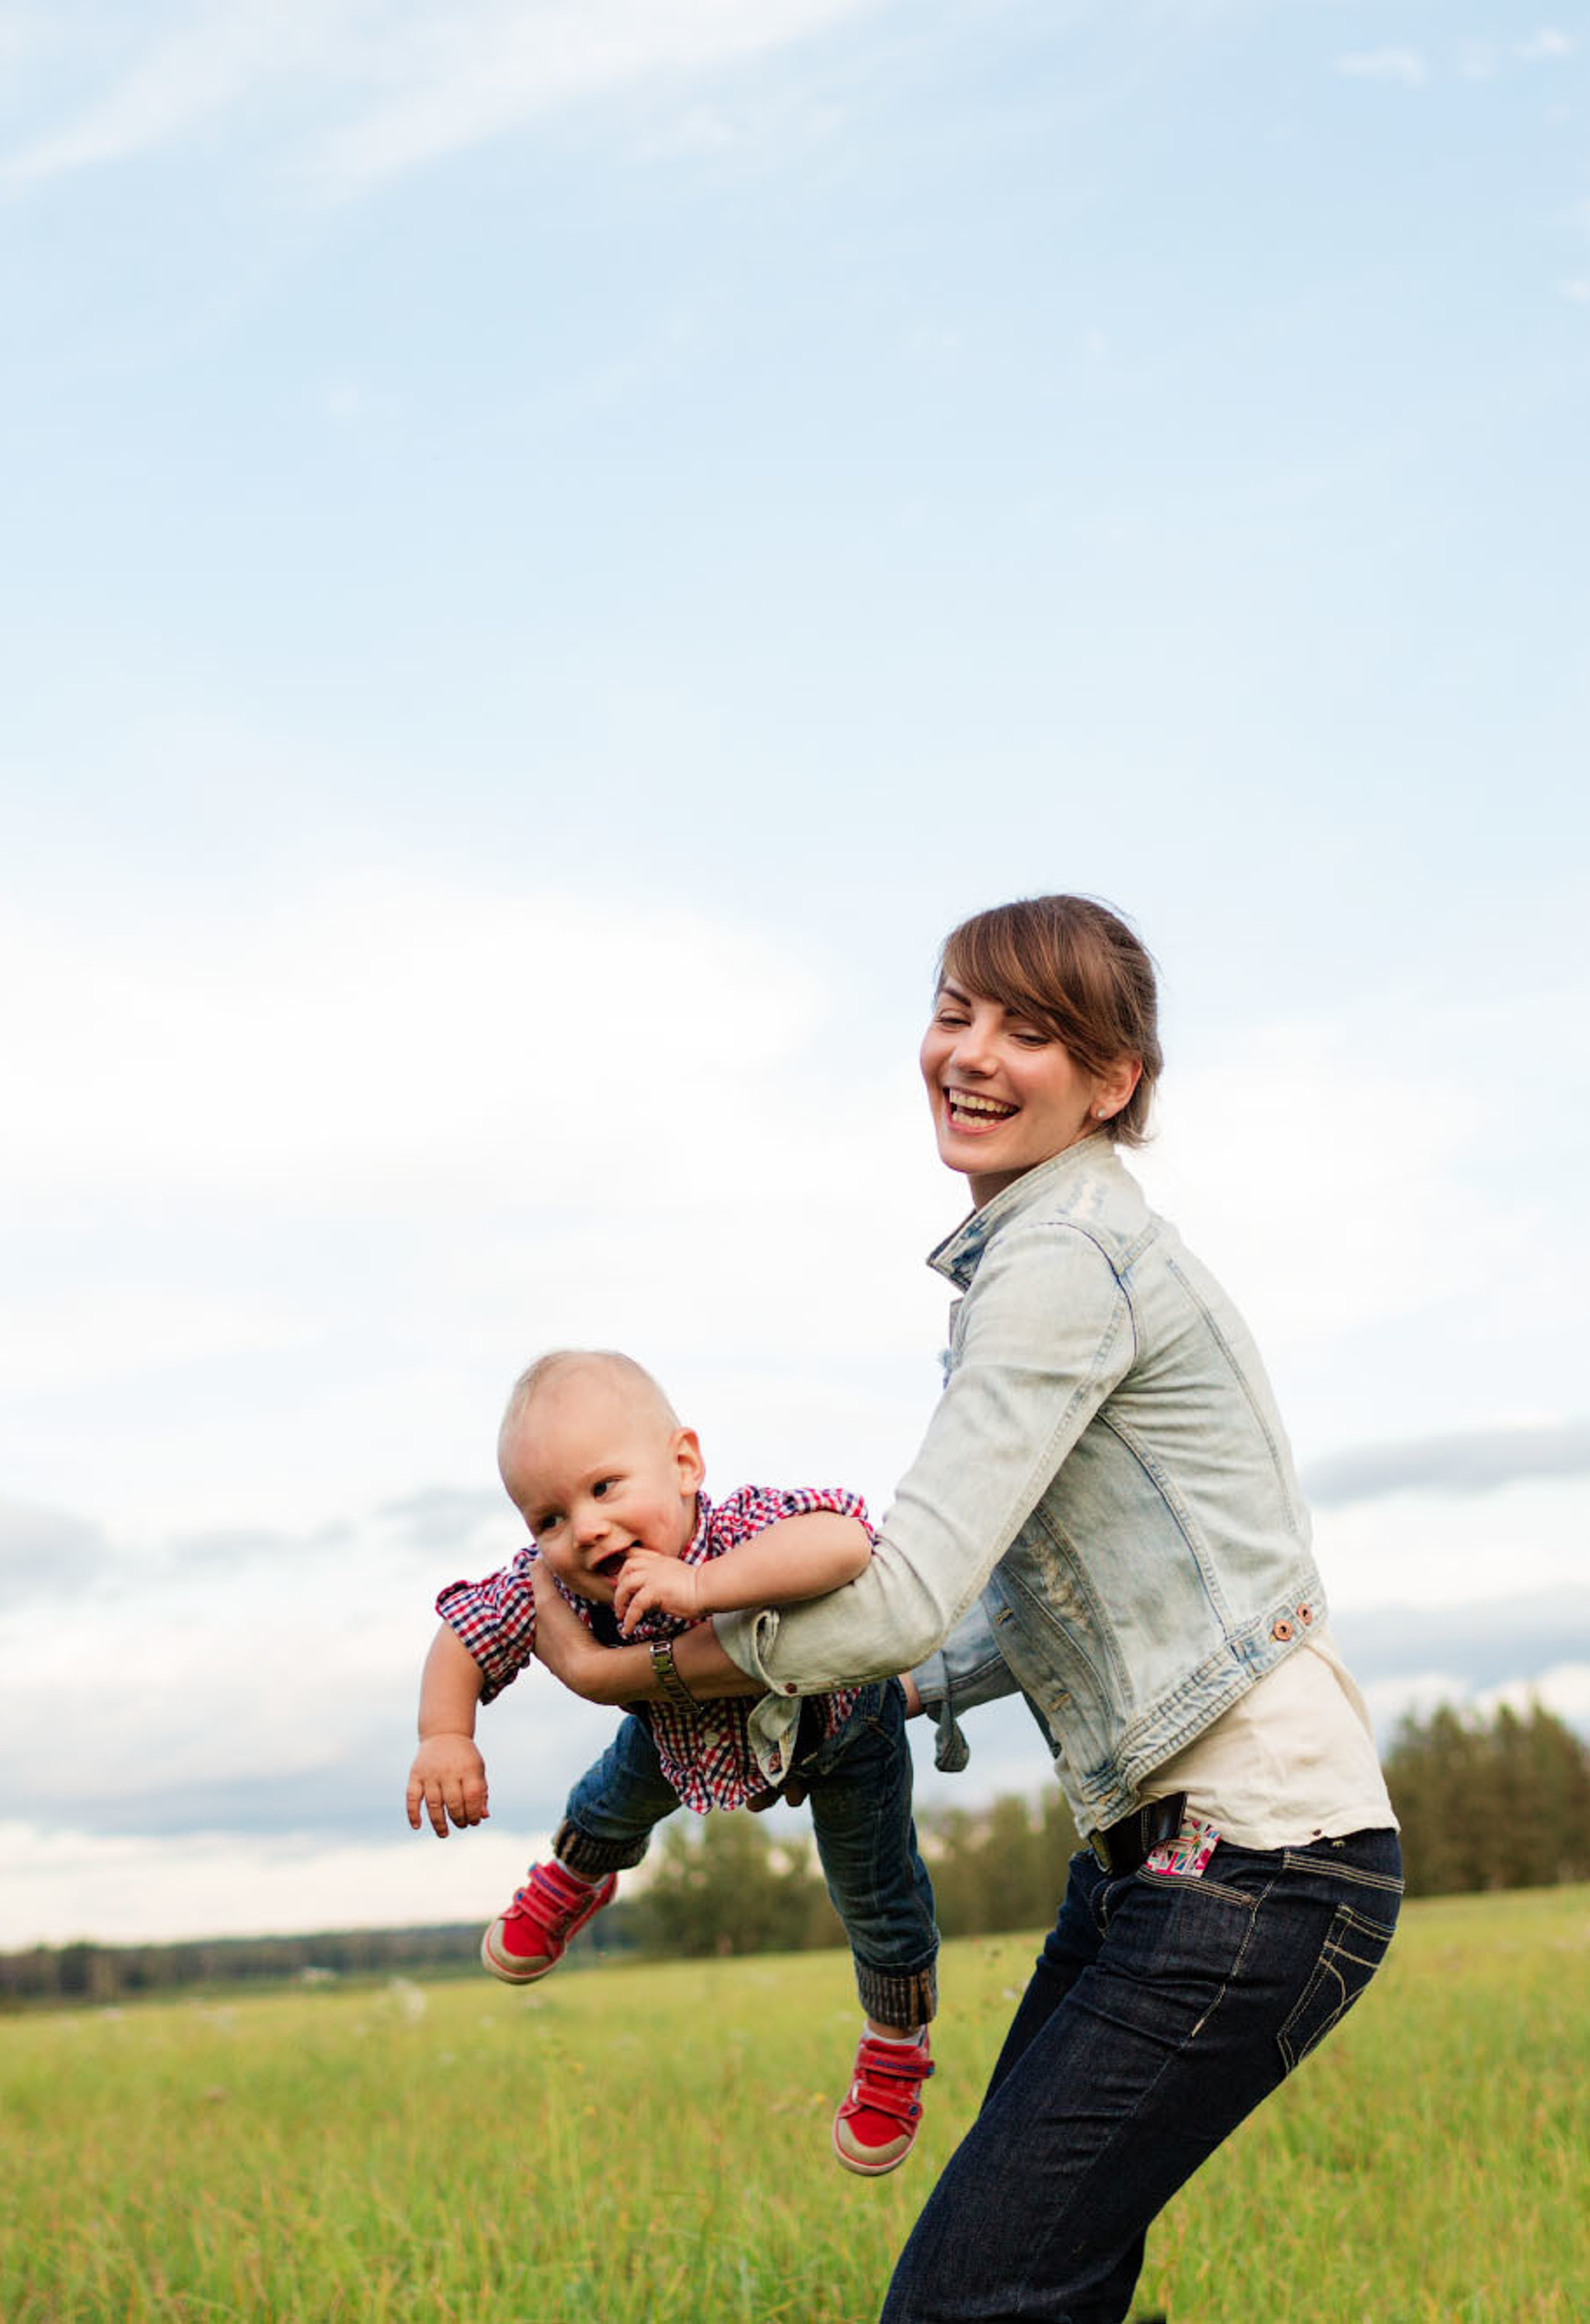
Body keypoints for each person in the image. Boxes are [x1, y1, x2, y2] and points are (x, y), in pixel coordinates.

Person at [527, 896, 1401, 2323]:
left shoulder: (1061, 1265)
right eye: (954, 1012)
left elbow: (908, 1584)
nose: (972, 1055)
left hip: (1253, 1863)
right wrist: (881, 1695)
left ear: (1114, 1083)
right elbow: (1015, 1601)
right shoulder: (1057, 1253)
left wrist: (661, 1674)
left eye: (1031, 1031)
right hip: (1172, 1866)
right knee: (1042, 2289)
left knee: (966, 2304)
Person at [404, 1347, 941, 2175]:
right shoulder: (560, 1584)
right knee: (609, 1796)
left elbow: (844, 1542)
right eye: (547, 1518)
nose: (583, 1529)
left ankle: (895, 2043)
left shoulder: (742, 1530)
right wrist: (446, 1734)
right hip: (679, 1734)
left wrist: (706, 1587)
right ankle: (579, 1878)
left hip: (838, 1735)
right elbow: (466, 1635)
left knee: (876, 1894)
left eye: (604, 1488)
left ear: (684, 1464)